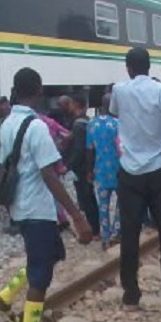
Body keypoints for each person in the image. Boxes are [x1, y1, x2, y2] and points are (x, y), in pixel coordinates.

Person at [0, 67, 92, 322]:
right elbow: (50, 173)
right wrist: (77, 215)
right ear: (40, 90)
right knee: (41, 275)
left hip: (20, 205)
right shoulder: (36, 127)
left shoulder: (7, 122)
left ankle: (4, 299)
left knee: (50, 254)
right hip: (37, 209)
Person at [110, 47, 161, 310]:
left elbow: (113, 113)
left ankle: (131, 296)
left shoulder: (119, 90)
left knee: (130, 235)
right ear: (149, 66)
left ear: (129, 68)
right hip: (160, 168)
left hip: (130, 172)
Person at [87, 93, 122, 249]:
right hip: (118, 170)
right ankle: (116, 233)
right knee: (121, 203)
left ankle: (105, 238)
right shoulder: (118, 124)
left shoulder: (91, 124)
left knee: (103, 205)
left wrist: (89, 170)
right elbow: (122, 149)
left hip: (100, 170)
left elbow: (89, 150)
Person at [64, 93, 99, 238]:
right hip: (88, 166)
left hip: (81, 168)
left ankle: (94, 229)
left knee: (85, 198)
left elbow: (79, 149)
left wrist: (68, 166)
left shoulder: (78, 125)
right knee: (89, 197)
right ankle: (95, 228)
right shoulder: (87, 122)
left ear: (76, 104)